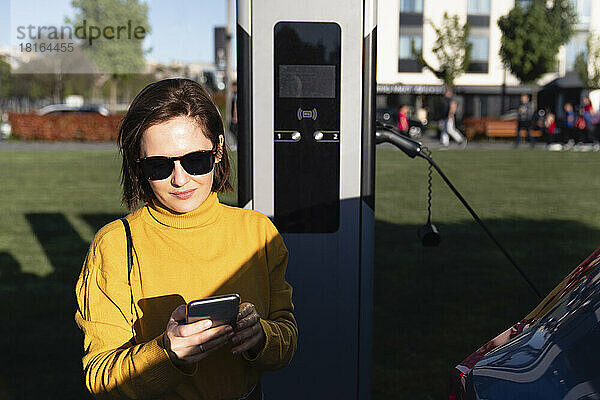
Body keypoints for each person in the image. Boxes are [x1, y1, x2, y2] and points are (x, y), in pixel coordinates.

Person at [74, 78, 297, 399]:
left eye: (195, 160)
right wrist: (166, 352)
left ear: (218, 150)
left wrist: (260, 337)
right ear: (139, 164)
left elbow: (286, 340)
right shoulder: (114, 244)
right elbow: (101, 376)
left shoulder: (259, 232)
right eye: (158, 166)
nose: (180, 179)